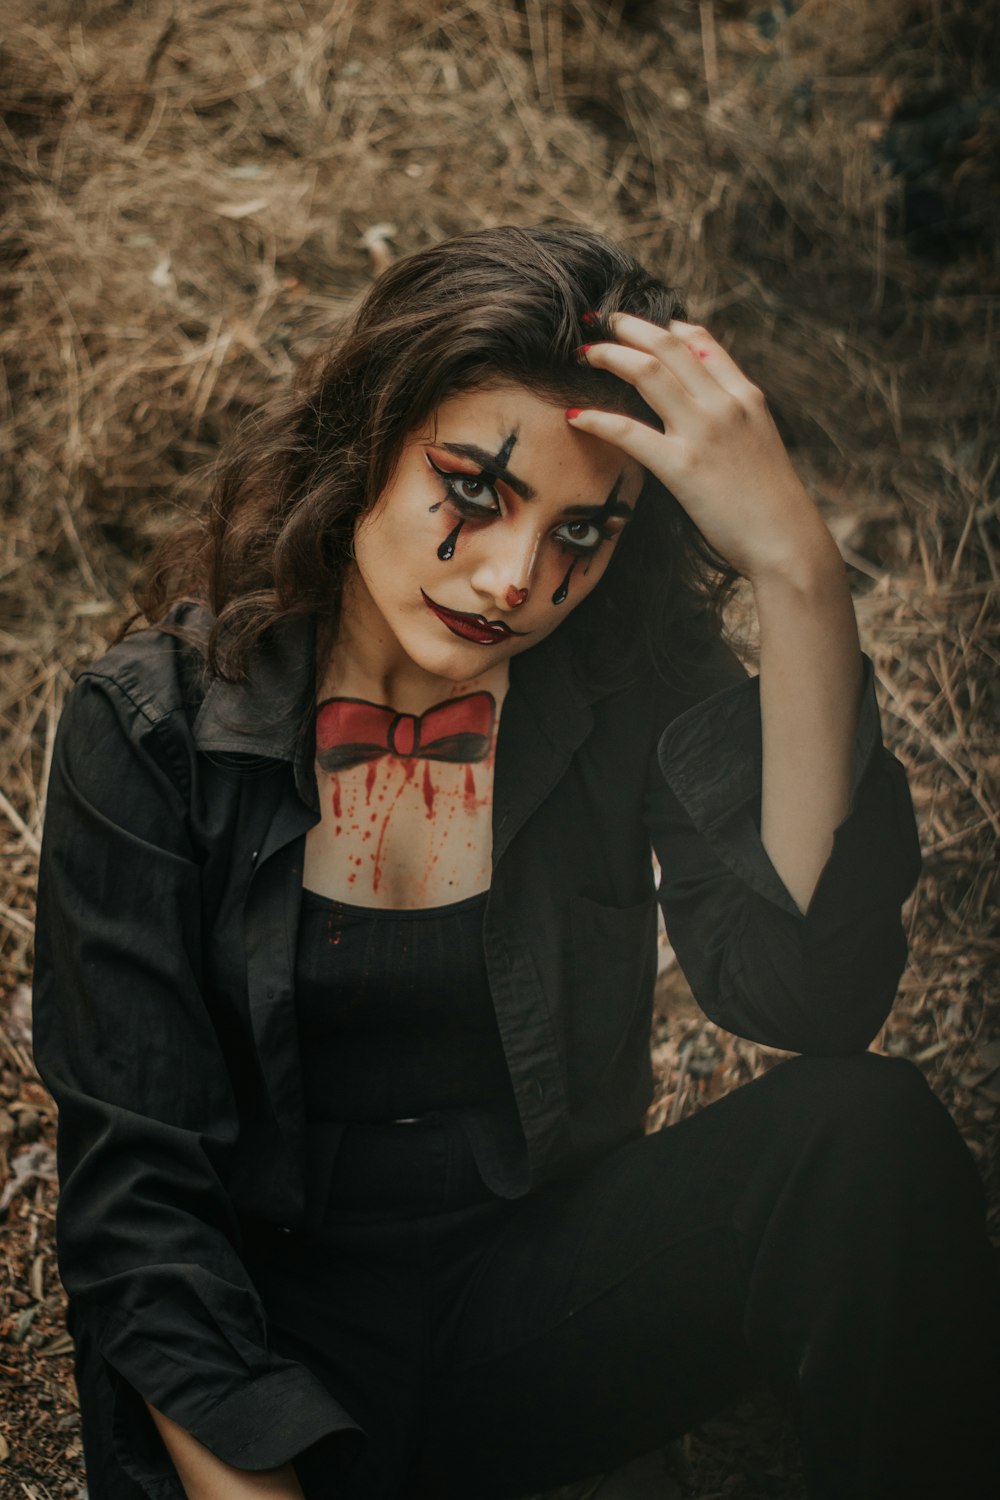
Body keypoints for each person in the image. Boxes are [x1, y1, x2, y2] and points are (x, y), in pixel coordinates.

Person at [32, 225, 999, 1500]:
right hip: (264, 1368)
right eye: (475, 489)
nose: (515, 580)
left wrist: (800, 573)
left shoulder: (617, 674)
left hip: (531, 1310)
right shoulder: (150, 732)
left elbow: (806, 999)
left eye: (584, 532)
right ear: (368, 436)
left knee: (867, 1136)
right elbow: (140, 1210)